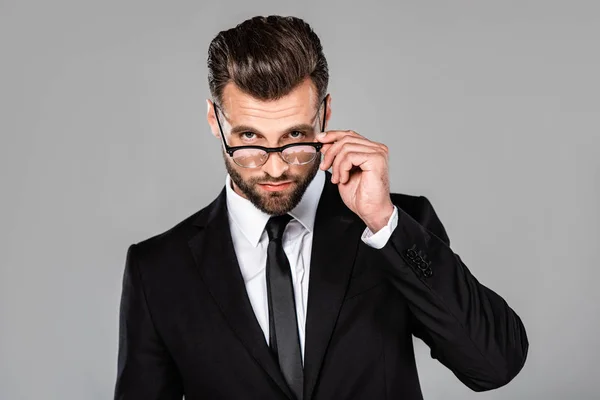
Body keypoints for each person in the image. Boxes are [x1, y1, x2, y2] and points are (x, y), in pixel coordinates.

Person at [114, 15, 528, 400]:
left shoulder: (394, 227)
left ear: (325, 114)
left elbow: (494, 364)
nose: (275, 166)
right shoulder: (157, 270)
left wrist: (384, 223)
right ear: (214, 120)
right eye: (249, 138)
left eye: (295, 135)